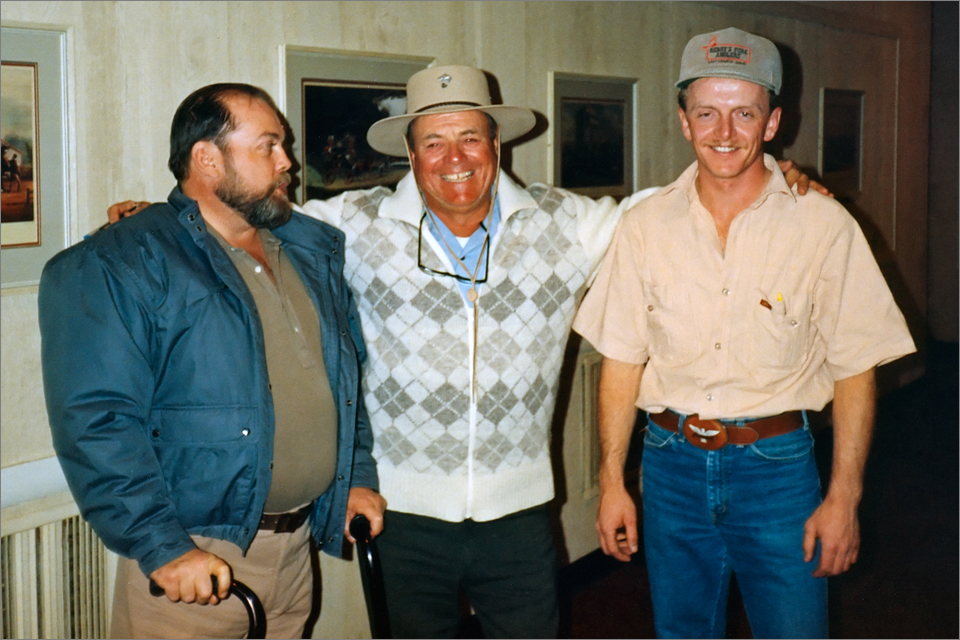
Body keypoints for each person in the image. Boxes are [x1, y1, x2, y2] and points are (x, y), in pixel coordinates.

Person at [107, 65, 823, 639]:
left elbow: (667, 207)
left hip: (519, 516)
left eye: (471, 138)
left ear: (497, 145)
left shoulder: (562, 225)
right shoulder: (353, 227)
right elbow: (243, 215)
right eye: (434, 143)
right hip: (400, 514)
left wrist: (771, 178)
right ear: (411, 154)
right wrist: (160, 218)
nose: (455, 159)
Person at [573, 28, 916, 638]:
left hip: (778, 474)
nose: (724, 133)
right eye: (706, 113)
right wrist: (610, 483)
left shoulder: (824, 225)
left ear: (773, 121)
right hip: (670, 468)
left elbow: (856, 368)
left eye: (743, 113)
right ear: (683, 120)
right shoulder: (645, 226)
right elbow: (620, 361)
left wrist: (844, 498)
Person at [39, 83, 385, 639]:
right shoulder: (124, 262)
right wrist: (163, 547)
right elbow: (98, 420)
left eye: (284, 146)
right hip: (195, 566)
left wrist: (355, 478)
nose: (287, 162)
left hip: (297, 554)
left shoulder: (306, 252)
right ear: (207, 158)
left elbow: (344, 379)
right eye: (268, 146)